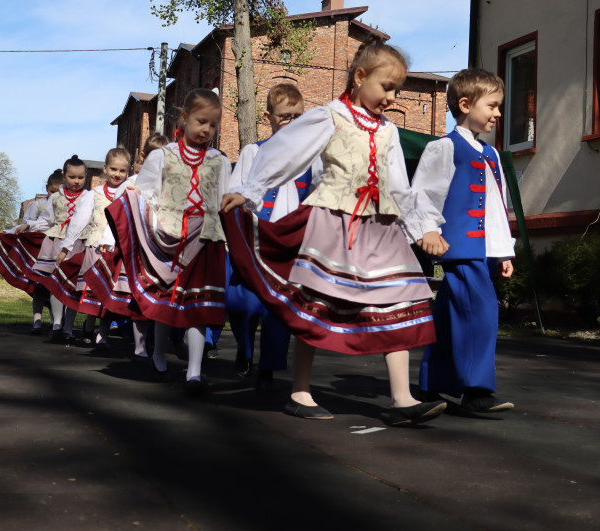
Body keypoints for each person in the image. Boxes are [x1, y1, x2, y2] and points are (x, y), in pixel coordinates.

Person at [221, 37, 448, 426]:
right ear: (360, 77)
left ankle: (402, 398)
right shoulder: (330, 116)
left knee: (396, 301)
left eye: (397, 90)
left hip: (380, 228)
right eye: (387, 87)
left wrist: (423, 227)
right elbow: (287, 150)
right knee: (318, 303)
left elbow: (399, 187)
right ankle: (300, 391)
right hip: (332, 221)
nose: (392, 97)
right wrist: (251, 189)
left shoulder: (388, 132)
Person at [100, 90, 231, 393]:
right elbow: (143, 194)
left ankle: (194, 372)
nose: (206, 130)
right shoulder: (163, 156)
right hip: (170, 240)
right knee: (167, 303)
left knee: (199, 305)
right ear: (184, 118)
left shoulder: (219, 161)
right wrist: (150, 226)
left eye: (213, 125)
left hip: (207, 239)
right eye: (201, 122)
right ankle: (159, 355)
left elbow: (226, 199)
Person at [413, 69, 516, 413]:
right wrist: (428, 230)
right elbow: (423, 195)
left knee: (448, 314)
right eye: (493, 105)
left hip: (482, 250)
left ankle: (431, 384)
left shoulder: (493, 155)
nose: (498, 113)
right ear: (465, 104)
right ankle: (476, 391)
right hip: (456, 246)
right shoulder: (443, 147)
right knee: (481, 311)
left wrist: (503, 251)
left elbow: (497, 208)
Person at [226, 82, 318, 390]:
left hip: (293, 242)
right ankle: (244, 346)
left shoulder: (312, 157)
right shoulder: (254, 152)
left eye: (298, 116)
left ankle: (267, 369)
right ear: (268, 117)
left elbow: (319, 194)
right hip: (257, 238)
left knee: (280, 308)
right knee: (244, 304)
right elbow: (236, 192)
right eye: (284, 117)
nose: (292, 122)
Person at [86, 134, 169, 362]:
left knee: (155, 296)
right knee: (128, 296)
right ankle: (133, 344)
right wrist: (108, 240)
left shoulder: (168, 185)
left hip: (156, 248)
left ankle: (151, 345)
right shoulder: (130, 184)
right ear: (144, 157)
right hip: (131, 247)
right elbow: (117, 215)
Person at [0, 169, 64, 333]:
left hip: (57, 246)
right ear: (47, 188)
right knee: (39, 286)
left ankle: (57, 322)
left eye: (59, 191)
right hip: (36, 248)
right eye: (52, 191)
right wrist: (9, 232)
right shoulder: (37, 205)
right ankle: (37, 321)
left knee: (56, 284)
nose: (55, 194)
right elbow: (27, 224)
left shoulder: (65, 203)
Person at [33, 156, 93, 344]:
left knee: (74, 287)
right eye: (72, 177)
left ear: (86, 177)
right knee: (56, 285)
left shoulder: (89, 197)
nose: (76, 181)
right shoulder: (57, 197)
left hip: (79, 243)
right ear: (64, 175)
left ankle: (69, 327)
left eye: (80, 177)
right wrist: (27, 226)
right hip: (56, 242)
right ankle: (57, 324)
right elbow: (47, 220)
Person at [78, 147, 132, 350]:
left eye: (122, 171)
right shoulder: (95, 194)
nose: (117, 174)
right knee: (94, 292)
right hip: (96, 247)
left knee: (109, 294)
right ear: (105, 169)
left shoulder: (128, 193)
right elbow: (81, 220)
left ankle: (103, 335)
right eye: (113, 169)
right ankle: (89, 327)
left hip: (117, 250)